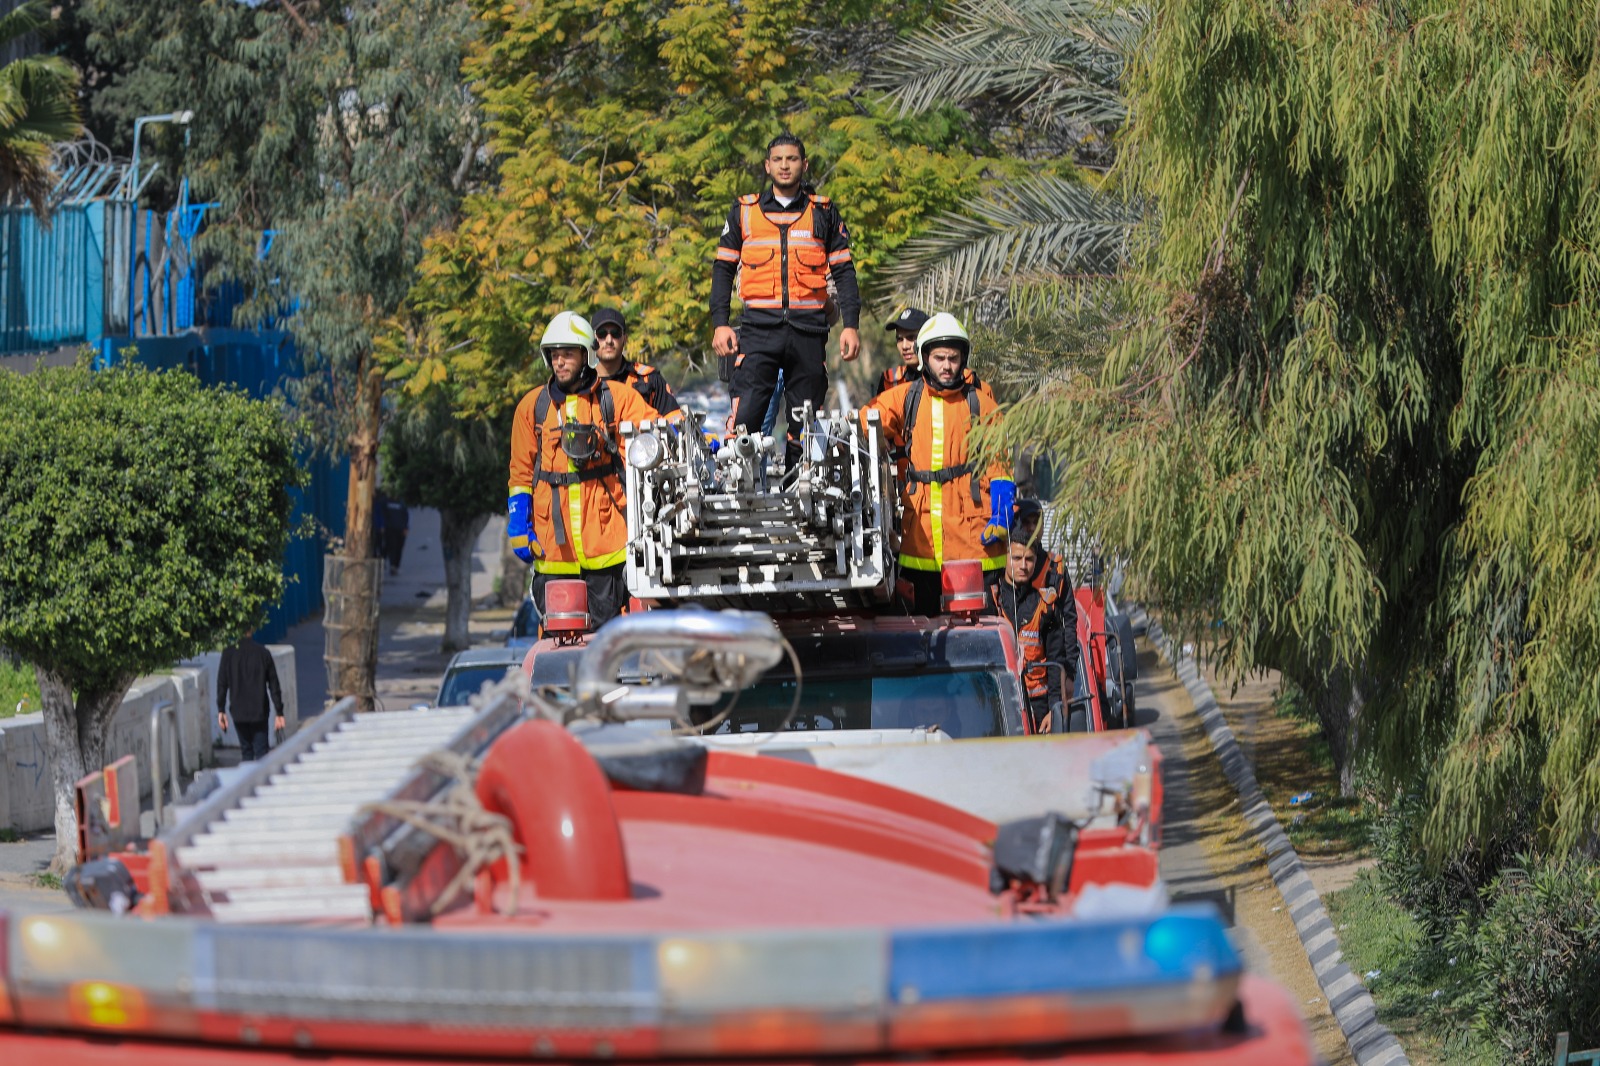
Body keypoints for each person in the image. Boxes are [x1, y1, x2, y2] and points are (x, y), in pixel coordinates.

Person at [507, 311, 678, 631]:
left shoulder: (618, 399)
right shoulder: (532, 407)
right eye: (554, 355)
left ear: (586, 354)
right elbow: (519, 474)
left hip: (608, 553)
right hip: (553, 553)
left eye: (567, 354)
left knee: (608, 645)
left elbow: (656, 435)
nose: (560, 362)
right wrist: (518, 525)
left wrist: (690, 436)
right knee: (560, 643)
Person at [711, 132, 861, 466]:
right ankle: (743, 498)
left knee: (804, 426)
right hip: (758, 331)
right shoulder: (743, 211)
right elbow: (722, 270)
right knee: (746, 421)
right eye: (778, 160)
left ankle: (801, 494)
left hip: (808, 333)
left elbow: (844, 272)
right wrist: (720, 325)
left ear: (804, 165)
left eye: (792, 159)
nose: (784, 166)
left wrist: (851, 325)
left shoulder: (823, 213)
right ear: (767, 165)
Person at [867, 312, 1014, 615]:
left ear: (963, 360)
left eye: (953, 358)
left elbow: (999, 463)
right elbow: (865, 423)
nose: (947, 366)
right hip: (920, 540)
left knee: (976, 629)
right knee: (926, 636)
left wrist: (1001, 514)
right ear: (925, 359)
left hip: (972, 540)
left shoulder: (982, 403)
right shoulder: (903, 397)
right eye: (939, 358)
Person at [993, 540, 1078, 731]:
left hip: (1040, 710)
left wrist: (1053, 710)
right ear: (1004, 557)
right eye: (1016, 558)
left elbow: (1057, 661)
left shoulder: (1045, 606)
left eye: (1029, 559)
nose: (1023, 565)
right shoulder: (992, 601)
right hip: (1001, 707)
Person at [589, 307, 682, 418]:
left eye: (615, 333)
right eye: (602, 334)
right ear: (592, 339)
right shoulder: (582, 384)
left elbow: (674, 424)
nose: (609, 340)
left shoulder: (650, 380)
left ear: (625, 339)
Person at [217, 634, 285, 762]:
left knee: (246, 752)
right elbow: (274, 684)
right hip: (259, 712)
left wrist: (221, 710)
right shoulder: (263, 653)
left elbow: (222, 684)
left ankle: (248, 780)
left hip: (238, 713)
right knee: (261, 754)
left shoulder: (228, 654)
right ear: (252, 630)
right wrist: (279, 712)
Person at [381, 494, 409, 576]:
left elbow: (406, 515)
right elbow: (382, 513)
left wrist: (406, 527)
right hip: (390, 528)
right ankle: (392, 565)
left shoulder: (402, 501)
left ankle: (396, 565)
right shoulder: (385, 501)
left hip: (400, 528)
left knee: (399, 548)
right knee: (392, 546)